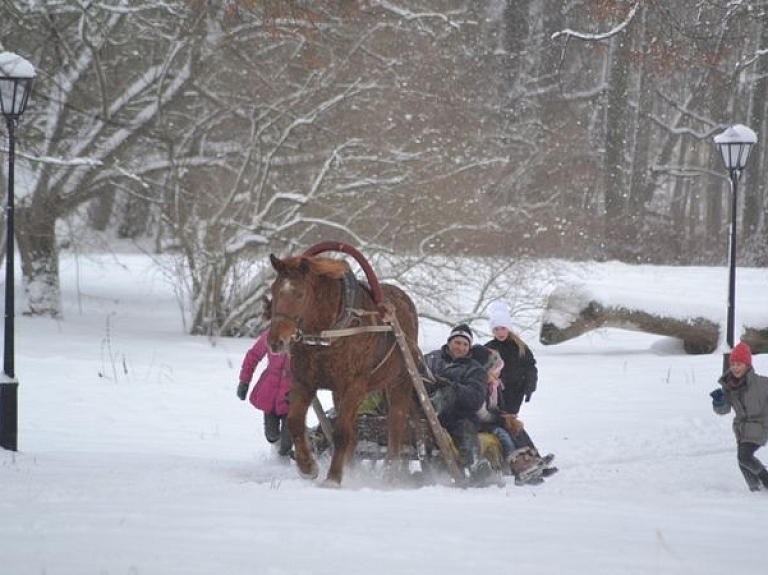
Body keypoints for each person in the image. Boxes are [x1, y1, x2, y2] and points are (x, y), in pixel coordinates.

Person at [471, 344, 557, 485]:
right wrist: (501, 419)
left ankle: (535, 461)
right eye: (496, 369)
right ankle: (516, 468)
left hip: (493, 419)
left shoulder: (495, 385)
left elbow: (497, 407)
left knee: (518, 429)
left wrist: (507, 416)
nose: (499, 373)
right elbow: (481, 413)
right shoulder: (480, 386)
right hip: (482, 423)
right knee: (504, 435)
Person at [422, 324, 493, 485]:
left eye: (465, 344)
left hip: (458, 415)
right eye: (457, 343)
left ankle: (475, 463)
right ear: (449, 343)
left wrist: (452, 386)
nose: (460, 347)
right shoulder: (430, 359)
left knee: (465, 428)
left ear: (469, 348)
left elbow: (476, 398)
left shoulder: (475, 369)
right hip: (423, 409)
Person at [711, 341, 768, 491]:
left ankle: (765, 480)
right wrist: (719, 402)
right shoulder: (729, 387)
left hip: (760, 425)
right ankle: (755, 489)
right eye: (733, 364)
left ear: (747, 365)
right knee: (742, 461)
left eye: (739, 364)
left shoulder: (762, 383)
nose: (735, 367)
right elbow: (724, 411)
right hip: (741, 428)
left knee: (744, 457)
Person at [237, 328, 293, 457]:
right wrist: (244, 381)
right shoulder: (270, 335)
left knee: (287, 439)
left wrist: (298, 390)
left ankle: (284, 460)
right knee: (271, 434)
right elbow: (253, 355)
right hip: (270, 393)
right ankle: (278, 448)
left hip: (291, 396)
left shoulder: (300, 339)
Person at [485, 300, 538, 414]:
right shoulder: (488, 348)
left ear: (508, 328)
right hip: (495, 392)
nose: (500, 332)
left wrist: (529, 387)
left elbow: (530, 366)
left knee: (510, 419)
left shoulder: (520, 347)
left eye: (503, 328)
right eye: (496, 329)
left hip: (515, 392)